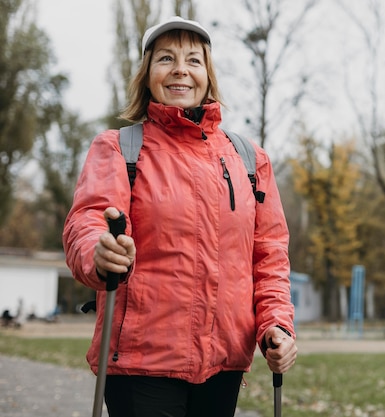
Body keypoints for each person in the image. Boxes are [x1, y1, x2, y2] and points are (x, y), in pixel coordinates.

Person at [63, 16, 296, 417]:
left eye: (193, 60)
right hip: (142, 365)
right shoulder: (119, 149)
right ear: (147, 73)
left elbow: (269, 257)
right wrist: (97, 254)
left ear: (208, 73)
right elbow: (90, 221)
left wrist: (276, 325)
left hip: (223, 364)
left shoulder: (249, 160)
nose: (180, 70)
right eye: (166, 58)